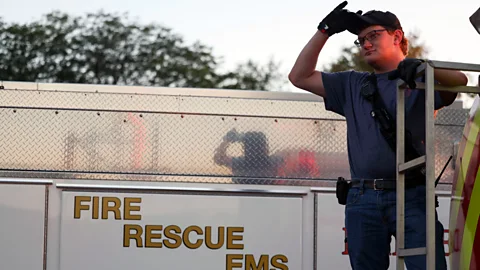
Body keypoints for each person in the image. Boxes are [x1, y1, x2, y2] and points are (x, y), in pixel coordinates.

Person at [288, 2, 468, 269]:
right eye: (360, 40)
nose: (366, 44)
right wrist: (324, 31)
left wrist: (421, 67)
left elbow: (460, 79)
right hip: (363, 197)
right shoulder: (351, 83)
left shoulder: (419, 77)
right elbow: (299, 77)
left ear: (397, 36)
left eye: (374, 35)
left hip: (412, 195)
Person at [213, 129, 284, 182]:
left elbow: (219, 159)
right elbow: (285, 155)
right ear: (264, 147)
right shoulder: (272, 161)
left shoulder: (240, 163)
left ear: (246, 148)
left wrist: (227, 140)